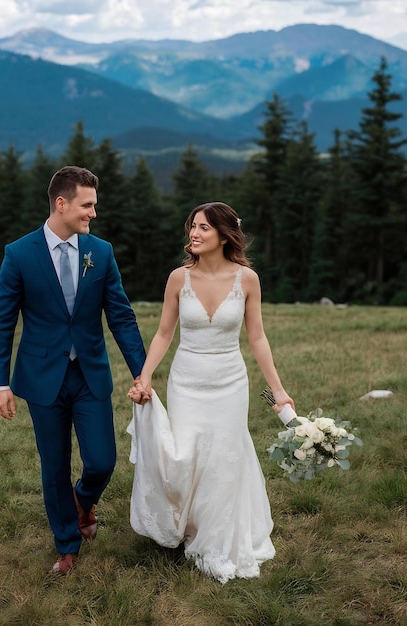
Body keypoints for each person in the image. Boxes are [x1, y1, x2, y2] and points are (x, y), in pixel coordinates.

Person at [127, 201, 294, 584]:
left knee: (223, 457)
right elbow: (164, 333)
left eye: (203, 227)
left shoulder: (247, 279)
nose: (194, 234)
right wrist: (145, 376)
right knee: (186, 455)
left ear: (223, 234)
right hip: (186, 381)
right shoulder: (177, 278)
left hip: (230, 383)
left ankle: (217, 536)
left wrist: (279, 391)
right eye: (192, 227)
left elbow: (257, 337)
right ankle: (186, 524)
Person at [0, 165, 146, 575]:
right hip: (42, 379)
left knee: (103, 460)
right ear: (61, 203)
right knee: (53, 464)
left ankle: (82, 500)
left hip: (90, 373)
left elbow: (122, 317)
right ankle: (67, 545)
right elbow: (3, 321)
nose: (93, 213)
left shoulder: (101, 252)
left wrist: (141, 372)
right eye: (87, 204)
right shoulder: (19, 254)